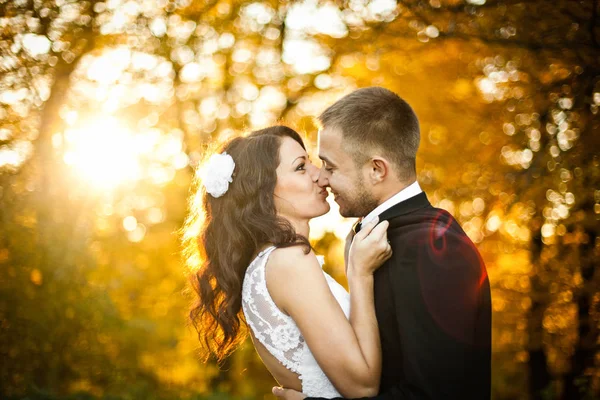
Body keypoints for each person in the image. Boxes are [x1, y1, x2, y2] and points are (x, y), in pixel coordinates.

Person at [272, 87, 492, 400]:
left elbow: (434, 393)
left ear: (377, 170)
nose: (321, 179)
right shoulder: (369, 237)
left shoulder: (437, 251)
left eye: (331, 167)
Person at [183, 125, 392, 398]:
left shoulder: (267, 265)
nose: (321, 175)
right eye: (301, 167)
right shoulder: (289, 262)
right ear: (263, 192)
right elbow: (362, 386)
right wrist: (360, 274)